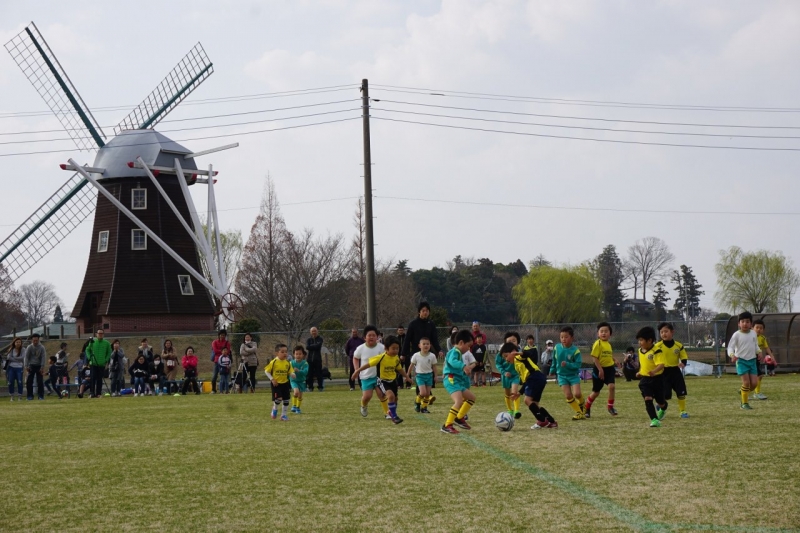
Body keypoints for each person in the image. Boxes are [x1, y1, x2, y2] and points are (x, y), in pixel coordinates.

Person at [352, 335, 411, 424]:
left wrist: (407, 377)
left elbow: (399, 369)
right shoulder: (381, 357)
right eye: (393, 348)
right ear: (386, 348)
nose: (396, 351)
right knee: (390, 396)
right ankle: (394, 417)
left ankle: (391, 412)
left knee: (395, 399)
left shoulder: (396, 358)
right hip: (383, 381)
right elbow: (368, 364)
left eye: (397, 349)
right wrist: (357, 371)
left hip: (393, 381)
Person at [510, 342, 557, 429]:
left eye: (506, 356)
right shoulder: (516, 365)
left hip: (534, 377)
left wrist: (519, 353)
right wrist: (519, 393)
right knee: (535, 404)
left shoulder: (518, 357)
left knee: (527, 400)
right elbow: (526, 381)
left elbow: (528, 354)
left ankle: (542, 421)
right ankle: (551, 421)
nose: (505, 359)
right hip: (538, 378)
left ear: (513, 352)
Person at [440, 330, 476, 434]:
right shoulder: (455, 351)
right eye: (468, 346)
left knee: (471, 398)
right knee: (459, 401)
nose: (469, 349)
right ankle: (447, 425)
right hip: (451, 379)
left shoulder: (458, 352)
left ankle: (459, 418)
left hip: (457, 381)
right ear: (461, 343)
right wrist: (463, 366)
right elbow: (452, 361)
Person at [549, 326, 585, 420]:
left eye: (566, 337)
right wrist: (552, 370)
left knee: (577, 394)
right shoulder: (557, 348)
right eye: (561, 337)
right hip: (561, 376)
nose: (563, 339)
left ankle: (582, 403)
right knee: (568, 396)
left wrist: (568, 364)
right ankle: (579, 412)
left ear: (572, 338)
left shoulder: (575, 351)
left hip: (573, 375)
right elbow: (554, 360)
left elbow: (578, 364)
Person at [635, 326, 668, 428]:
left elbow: (661, 364)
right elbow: (643, 364)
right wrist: (640, 372)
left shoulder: (657, 351)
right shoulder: (640, 350)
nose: (639, 342)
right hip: (645, 380)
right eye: (639, 340)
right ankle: (654, 420)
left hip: (657, 379)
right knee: (648, 399)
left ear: (649, 340)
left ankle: (663, 407)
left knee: (660, 402)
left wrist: (654, 371)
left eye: (641, 340)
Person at [655, 322, 689, 419]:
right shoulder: (657, 346)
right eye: (661, 332)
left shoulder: (678, 345)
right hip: (663, 372)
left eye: (666, 331)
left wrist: (683, 363)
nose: (663, 334)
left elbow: (684, 357)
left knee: (681, 392)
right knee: (666, 395)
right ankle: (661, 408)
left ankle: (682, 411)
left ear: (672, 332)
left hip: (675, 372)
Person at [728, 311, 761, 410]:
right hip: (741, 361)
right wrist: (732, 355)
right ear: (739, 323)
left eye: (747, 322)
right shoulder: (736, 335)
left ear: (751, 324)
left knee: (754, 384)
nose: (745, 324)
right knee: (746, 383)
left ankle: (743, 391)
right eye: (742, 321)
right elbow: (730, 347)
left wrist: (759, 351)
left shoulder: (753, 333)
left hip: (752, 361)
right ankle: (744, 404)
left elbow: (755, 345)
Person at [584, 322, 617, 418]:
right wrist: (600, 370)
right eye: (601, 331)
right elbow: (594, 358)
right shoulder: (597, 344)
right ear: (598, 334)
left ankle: (610, 407)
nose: (603, 333)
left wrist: (614, 360)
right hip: (599, 370)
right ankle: (587, 407)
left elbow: (608, 355)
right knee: (596, 392)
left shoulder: (609, 344)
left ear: (610, 334)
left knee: (612, 386)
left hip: (609, 369)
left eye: (606, 331)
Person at [353, 325, 387, 418]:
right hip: (366, 376)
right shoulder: (360, 348)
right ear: (365, 337)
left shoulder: (382, 348)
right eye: (369, 335)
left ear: (377, 337)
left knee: (381, 395)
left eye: (373, 335)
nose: (371, 337)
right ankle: (363, 405)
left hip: (379, 376)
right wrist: (356, 369)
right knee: (367, 396)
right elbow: (355, 358)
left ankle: (387, 413)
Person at [265, 343, 296, 421]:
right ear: (277, 353)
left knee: (286, 400)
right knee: (279, 399)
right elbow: (266, 371)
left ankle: (283, 415)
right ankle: (274, 409)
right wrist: (272, 379)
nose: (285, 353)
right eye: (282, 352)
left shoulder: (287, 363)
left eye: (286, 352)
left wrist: (292, 374)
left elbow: (290, 371)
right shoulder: (274, 362)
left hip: (285, 383)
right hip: (276, 384)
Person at [496, 331, 522, 419]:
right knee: (507, 394)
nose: (512, 343)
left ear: (518, 342)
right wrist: (504, 372)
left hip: (515, 376)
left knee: (514, 392)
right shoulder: (501, 353)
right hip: (506, 376)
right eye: (509, 341)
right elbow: (498, 364)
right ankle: (510, 409)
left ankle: (516, 411)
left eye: (514, 341)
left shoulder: (519, 353)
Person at [409, 337, 437, 413]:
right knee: (423, 393)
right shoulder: (416, 355)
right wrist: (408, 375)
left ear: (430, 345)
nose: (426, 345)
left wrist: (435, 376)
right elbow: (411, 366)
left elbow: (434, 367)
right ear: (419, 345)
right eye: (424, 344)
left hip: (429, 376)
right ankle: (417, 401)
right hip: (420, 376)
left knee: (427, 394)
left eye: (427, 344)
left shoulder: (432, 356)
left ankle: (424, 408)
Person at [85, 329, 112, 398]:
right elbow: (87, 350)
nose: (100, 335)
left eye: (101, 333)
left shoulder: (107, 343)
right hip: (93, 363)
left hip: (101, 364)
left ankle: (98, 393)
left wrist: (106, 360)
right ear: (96, 334)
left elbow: (109, 352)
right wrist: (89, 357)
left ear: (103, 334)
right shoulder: (92, 342)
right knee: (92, 378)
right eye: (99, 333)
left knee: (100, 379)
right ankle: (92, 393)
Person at [752, 319, 772, 400]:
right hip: (748, 358)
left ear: (763, 330)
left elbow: (767, 348)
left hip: (756, 359)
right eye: (757, 327)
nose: (759, 329)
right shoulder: (749, 337)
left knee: (758, 376)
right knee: (758, 376)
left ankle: (754, 392)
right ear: (752, 328)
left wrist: (772, 357)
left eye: (761, 328)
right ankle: (753, 392)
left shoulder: (763, 338)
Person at [24, 333, 46, 401]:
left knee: (40, 381)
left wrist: (42, 367)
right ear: (32, 340)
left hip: (39, 366)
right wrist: (26, 366)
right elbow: (26, 357)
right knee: (29, 381)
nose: (35, 342)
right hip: (31, 365)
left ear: (38, 340)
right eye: (34, 341)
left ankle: (40, 396)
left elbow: (43, 357)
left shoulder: (42, 347)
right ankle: (30, 396)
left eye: (36, 340)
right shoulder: (29, 347)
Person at [211, 330, 231, 394]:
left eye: (224, 335)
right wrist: (223, 351)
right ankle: (213, 390)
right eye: (221, 335)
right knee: (214, 376)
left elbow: (228, 351)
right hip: (217, 361)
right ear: (219, 335)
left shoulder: (227, 343)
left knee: (224, 377)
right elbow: (215, 350)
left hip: (225, 362)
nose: (222, 336)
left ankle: (224, 390)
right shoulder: (215, 342)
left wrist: (221, 351)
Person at [290, 346, 308, 413]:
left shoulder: (305, 363)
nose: (298, 355)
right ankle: (294, 405)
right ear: (294, 355)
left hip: (302, 381)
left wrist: (299, 371)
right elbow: (288, 371)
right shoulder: (291, 363)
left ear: (303, 354)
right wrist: (292, 373)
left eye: (300, 354)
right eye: (296, 354)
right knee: (296, 392)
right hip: (294, 381)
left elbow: (305, 372)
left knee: (300, 396)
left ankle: (298, 408)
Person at [306, 327, 324, 392]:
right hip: (310, 359)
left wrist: (312, 346)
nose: (314, 332)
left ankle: (320, 387)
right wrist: (314, 346)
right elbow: (307, 347)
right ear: (310, 332)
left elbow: (318, 346)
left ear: (317, 331)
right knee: (309, 374)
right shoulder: (309, 340)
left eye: (315, 331)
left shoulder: (320, 339)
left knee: (319, 374)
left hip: (317, 359)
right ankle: (310, 387)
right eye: (312, 331)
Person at [396, 325, 411, 390]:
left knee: (408, 370)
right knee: (399, 370)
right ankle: (400, 385)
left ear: (404, 330)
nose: (401, 331)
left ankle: (408, 384)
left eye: (402, 330)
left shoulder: (407, 338)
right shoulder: (396, 338)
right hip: (398, 356)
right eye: (399, 330)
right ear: (397, 331)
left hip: (407, 356)